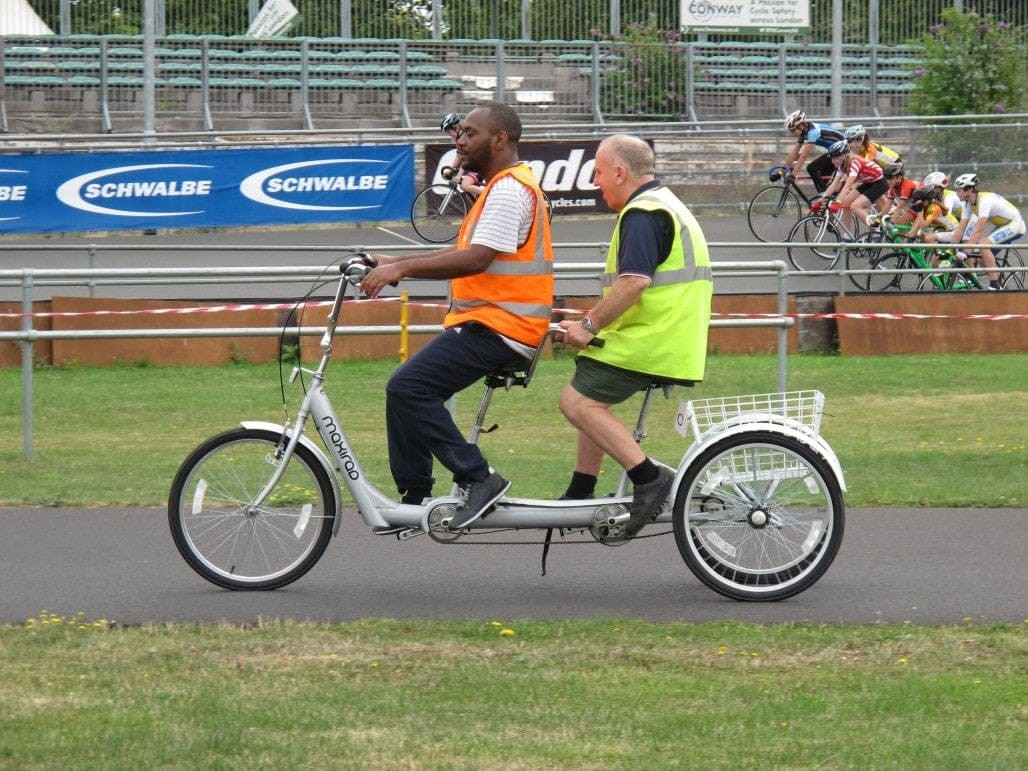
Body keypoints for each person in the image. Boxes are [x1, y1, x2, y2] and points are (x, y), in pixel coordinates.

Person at [360, 102, 554, 530]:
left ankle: (478, 478)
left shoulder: (508, 189)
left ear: (499, 140)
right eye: (460, 133)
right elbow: (463, 252)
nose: (460, 141)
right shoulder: (498, 188)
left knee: (409, 387)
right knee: (403, 389)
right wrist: (389, 259)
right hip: (490, 323)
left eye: (470, 133)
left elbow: (477, 259)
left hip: (502, 326)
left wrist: (403, 268)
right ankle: (415, 499)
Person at [557, 134, 713, 538]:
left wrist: (588, 325)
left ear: (620, 172)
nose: (595, 181)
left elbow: (633, 284)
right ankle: (581, 489)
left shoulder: (642, 213)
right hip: (665, 337)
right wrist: (587, 328)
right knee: (588, 380)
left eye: (598, 172)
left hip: (655, 341)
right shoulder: (664, 203)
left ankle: (648, 477)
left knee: (576, 401)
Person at [948, 172, 1026, 291]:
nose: (956, 193)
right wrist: (949, 249)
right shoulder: (968, 204)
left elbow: (978, 230)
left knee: (983, 244)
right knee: (981, 259)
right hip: (1002, 226)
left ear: (968, 190)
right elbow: (960, 229)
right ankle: (1002, 286)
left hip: (1015, 224)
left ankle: (994, 284)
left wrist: (966, 251)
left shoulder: (984, 200)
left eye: (959, 190)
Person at [819, 139, 889, 234]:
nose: (832, 161)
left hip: (879, 183)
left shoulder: (854, 162)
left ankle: (875, 230)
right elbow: (834, 185)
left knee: (855, 207)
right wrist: (821, 200)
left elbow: (847, 186)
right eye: (831, 158)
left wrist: (837, 202)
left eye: (835, 158)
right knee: (845, 203)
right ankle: (848, 237)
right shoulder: (841, 166)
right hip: (868, 182)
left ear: (844, 155)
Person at [775, 109, 845, 193]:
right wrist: (781, 171)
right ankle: (827, 198)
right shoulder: (804, 133)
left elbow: (804, 156)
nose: (792, 133)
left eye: (793, 130)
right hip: (835, 151)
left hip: (843, 152)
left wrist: (793, 175)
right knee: (821, 176)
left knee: (812, 168)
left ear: (801, 126)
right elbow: (794, 153)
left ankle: (823, 198)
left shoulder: (813, 132)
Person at [904, 185, 960, 268]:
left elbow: (923, 226)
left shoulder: (933, 208)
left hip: (954, 231)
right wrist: (907, 239)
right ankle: (940, 260)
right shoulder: (927, 207)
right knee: (934, 266)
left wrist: (920, 211)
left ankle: (943, 258)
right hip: (944, 231)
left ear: (926, 200)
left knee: (928, 238)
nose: (915, 204)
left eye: (918, 201)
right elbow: (917, 226)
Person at [439, 112, 484, 197]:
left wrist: (459, 176)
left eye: (449, 131)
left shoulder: (466, 137)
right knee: (468, 189)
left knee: (465, 185)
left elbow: (465, 159)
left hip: (483, 164)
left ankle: (490, 194)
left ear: (456, 128)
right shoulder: (460, 138)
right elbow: (459, 156)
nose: (449, 135)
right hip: (477, 165)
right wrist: (450, 169)